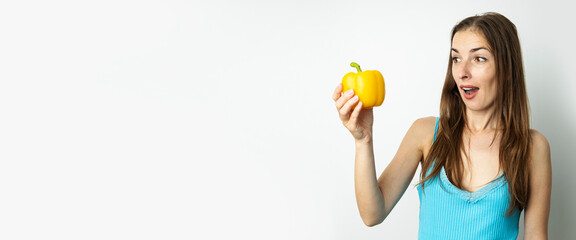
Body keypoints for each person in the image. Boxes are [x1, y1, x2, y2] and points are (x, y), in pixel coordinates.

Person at [332, 12, 551, 239]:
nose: (463, 72)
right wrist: (363, 140)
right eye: (456, 58)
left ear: (506, 69)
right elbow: (372, 214)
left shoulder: (533, 148)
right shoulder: (425, 133)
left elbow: (536, 235)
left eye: (479, 58)